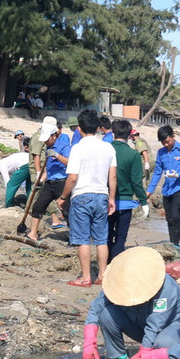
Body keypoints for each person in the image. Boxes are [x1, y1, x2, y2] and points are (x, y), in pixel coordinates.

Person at [81, 246, 180, 359]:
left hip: (170, 329)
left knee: (163, 342)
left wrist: (144, 351)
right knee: (106, 313)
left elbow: (155, 324)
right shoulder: (118, 282)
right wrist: (89, 344)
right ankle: (119, 357)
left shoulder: (166, 288)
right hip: (140, 325)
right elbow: (95, 309)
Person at [56, 109, 116, 286]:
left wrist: (63, 197)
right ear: (98, 127)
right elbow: (112, 176)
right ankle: (103, 275)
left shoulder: (78, 148)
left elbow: (72, 177)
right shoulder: (108, 147)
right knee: (101, 238)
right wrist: (111, 198)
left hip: (82, 194)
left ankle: (86, 277)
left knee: (82, 238)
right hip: (102, 194)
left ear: (79, 129)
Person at [107, 119, 149, 261]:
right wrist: (143, 201)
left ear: (113, 133)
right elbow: (136, 182)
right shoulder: (133, 155)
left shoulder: (106, 150)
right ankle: (114, 265)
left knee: (106, 235)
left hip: (105, 201)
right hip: (125, 202)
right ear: (129, 135)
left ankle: (104, 265)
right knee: (120, 236)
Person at [25, 121, 71, 240]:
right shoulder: (48, 147)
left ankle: (75, 237)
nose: (45, 141)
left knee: (67, 211)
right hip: (49, 182)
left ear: (54, 136)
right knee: (38, 206)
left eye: (47, 139)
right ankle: (33, 234)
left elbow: (70, 163)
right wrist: (41, 178)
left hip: (62, 182)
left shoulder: (64, 146)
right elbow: (50, 167)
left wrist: (56, 155)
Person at [146, 125, 180, 246]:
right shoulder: (161, 152)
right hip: (167, 190)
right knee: (169, 219)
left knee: (176, 216)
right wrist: (150, 190)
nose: (166, 145)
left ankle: (176, 245)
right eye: (163, 142)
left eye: (167, 141)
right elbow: (158, 173)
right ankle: (173, 242)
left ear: (173, 137)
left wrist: (178, 174)